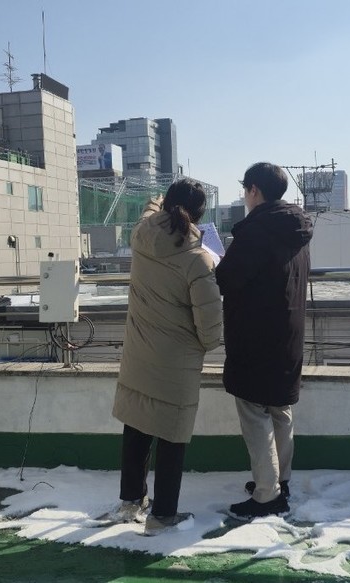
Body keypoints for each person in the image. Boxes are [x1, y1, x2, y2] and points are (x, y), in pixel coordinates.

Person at [111, 178, 222, 535]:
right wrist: (204, 344)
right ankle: (162, 517)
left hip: (139, 351)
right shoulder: (198, 259)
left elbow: (149, 213)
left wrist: (156, 201)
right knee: (172, 437)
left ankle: (131, 502)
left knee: (136, 426)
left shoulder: (142, 235)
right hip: (177, 361)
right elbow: (210, 329)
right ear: (199, 215)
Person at [215, 162, 313, 519]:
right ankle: (279, 481)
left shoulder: (256, 231)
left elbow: (226, 278)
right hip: (288, 332)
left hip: (255, 334)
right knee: (280, 409)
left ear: (254, 190)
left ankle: (267, 495)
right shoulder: (296, 228)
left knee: (254, 411)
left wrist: (217, 258)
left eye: (245, 189)